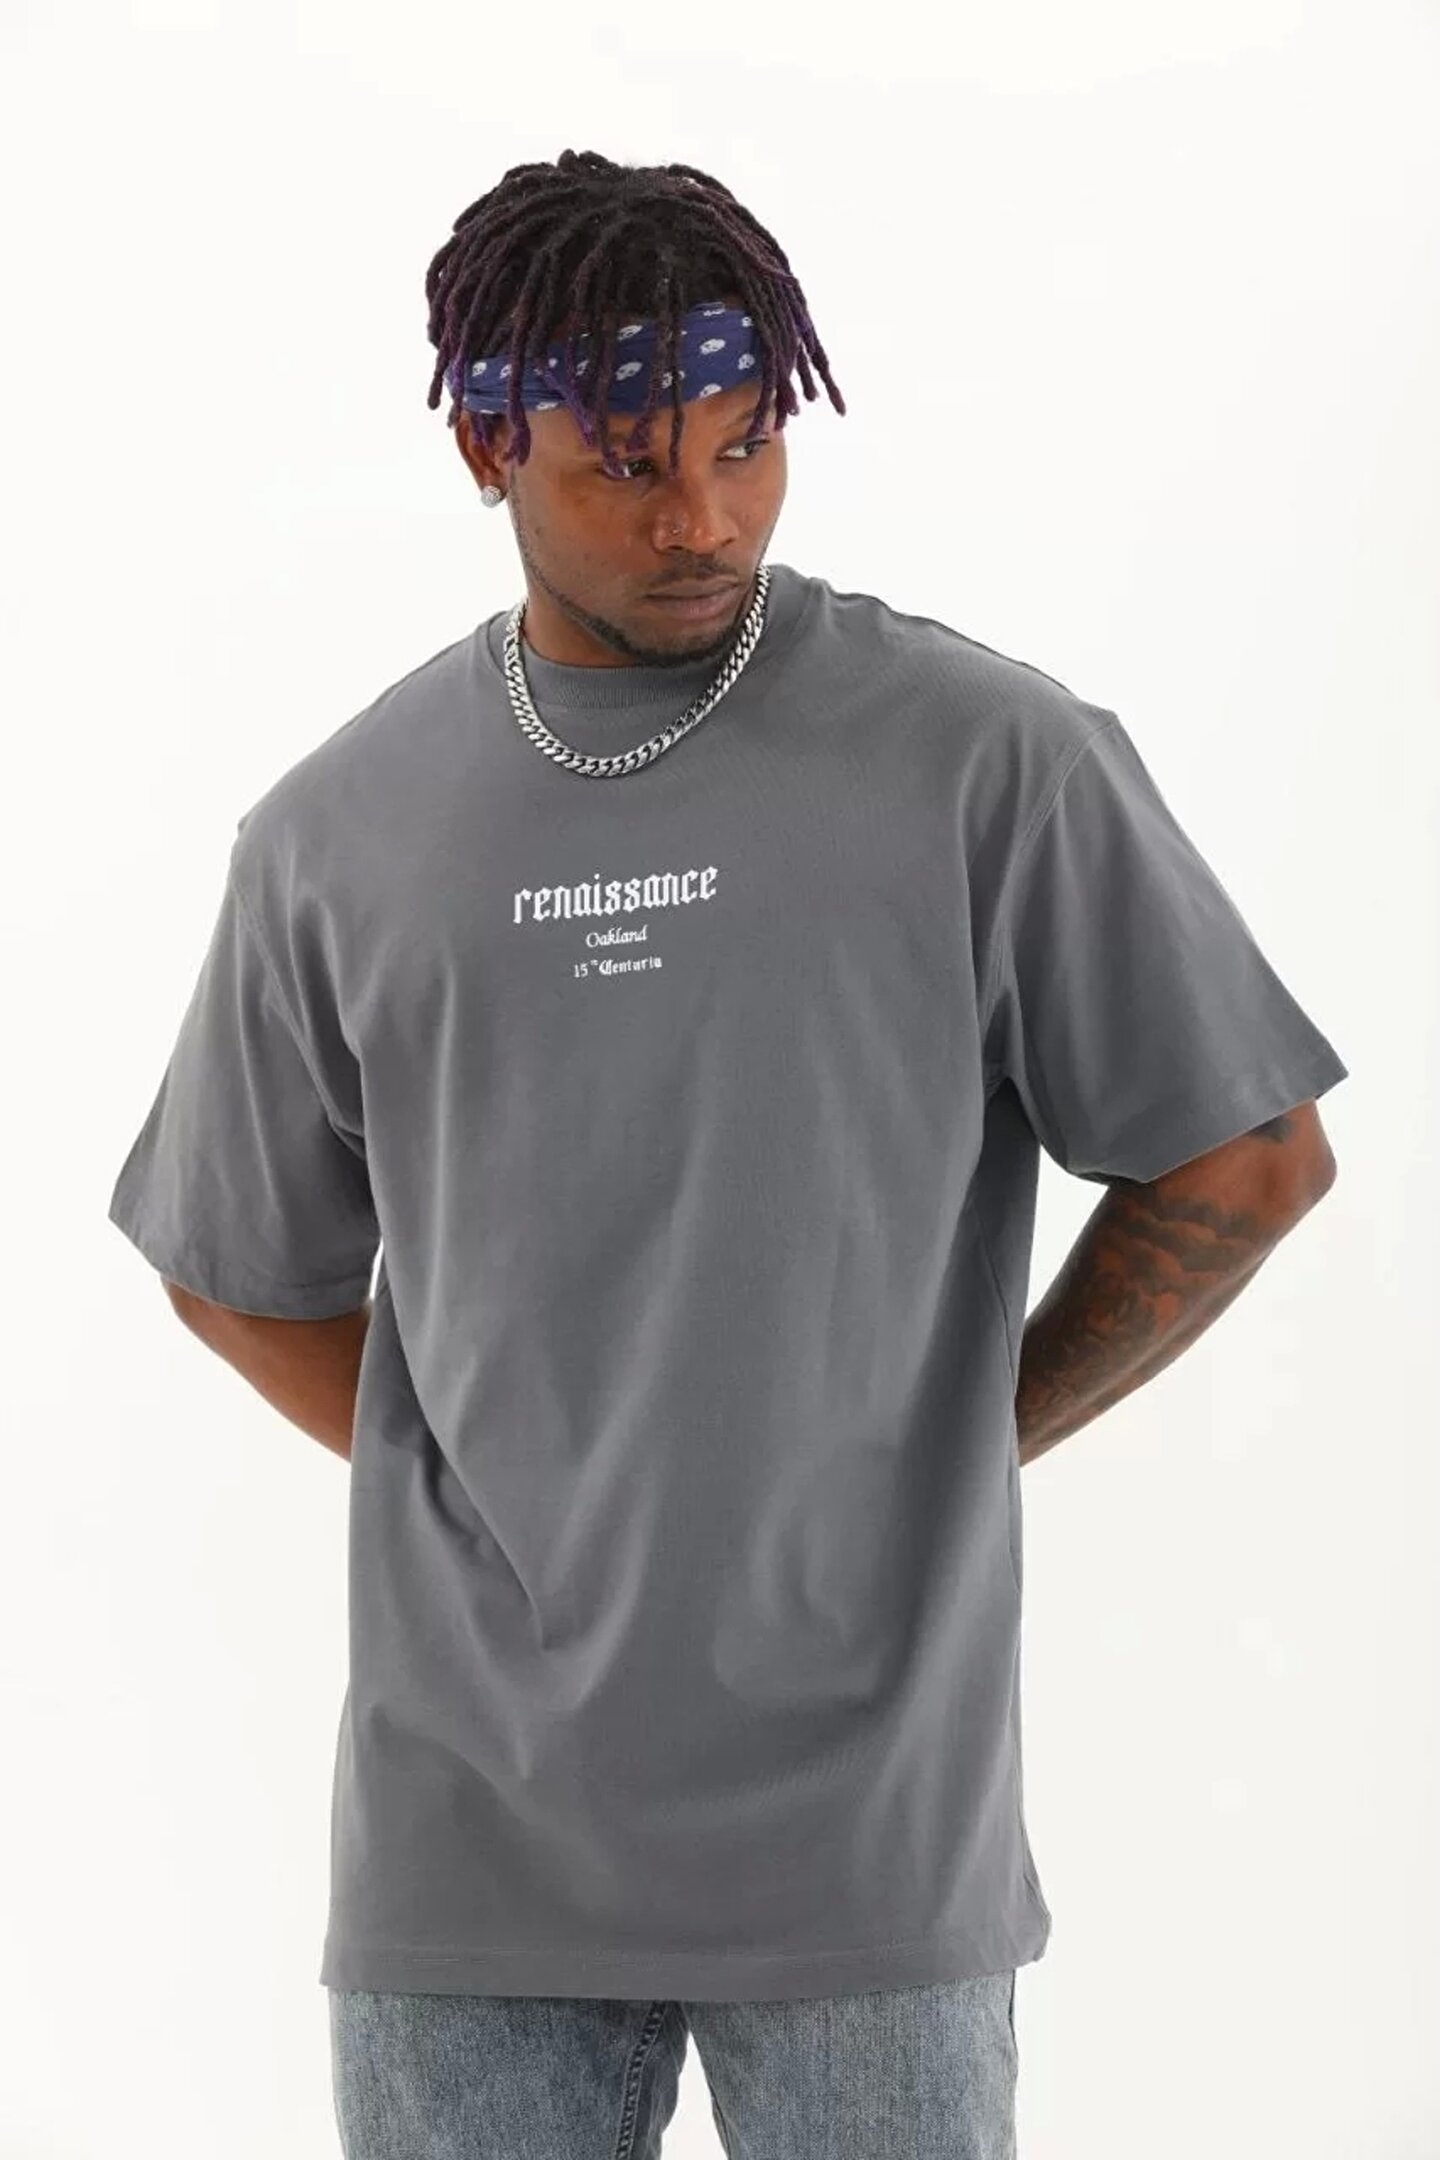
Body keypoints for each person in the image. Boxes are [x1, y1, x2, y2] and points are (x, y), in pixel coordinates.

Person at [105, 147, 1348, 2158]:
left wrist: (961, 1437)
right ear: (485, 449)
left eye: (747, 444)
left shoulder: (983, 761)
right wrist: (503, 1481)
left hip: (863, 1847)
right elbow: (231, 1266)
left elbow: (1248, 1154)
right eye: (627, 467)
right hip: (465, 1864)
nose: (704, 518)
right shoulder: (339, 832)